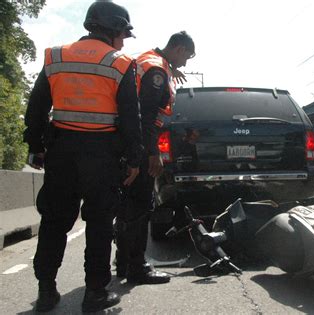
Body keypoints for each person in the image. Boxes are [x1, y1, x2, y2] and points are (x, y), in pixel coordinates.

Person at [23, 1, 143, 312]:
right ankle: (95, 294)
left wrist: (35, 145)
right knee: (100, 223)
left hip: (61, 151)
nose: (124, 40)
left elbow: (36, 107)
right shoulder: (120, 63)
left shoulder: (56, 55)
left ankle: (46, 290)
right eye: (123, 34)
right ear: (114, 30)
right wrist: (133, 158)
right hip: (102, 154)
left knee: (54, 221)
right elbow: (131, 118)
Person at [114, 31, 195, 284]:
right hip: (139, 145)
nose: (185, 63)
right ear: (179, 48)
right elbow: (146, 116)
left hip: (125, 143)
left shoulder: (152, 62)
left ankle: (125, 263)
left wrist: (170, 70)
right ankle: (137, 267)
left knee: (128, 207)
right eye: (187, 57)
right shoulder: (156, 70)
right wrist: (152, 153)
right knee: (140, 208)